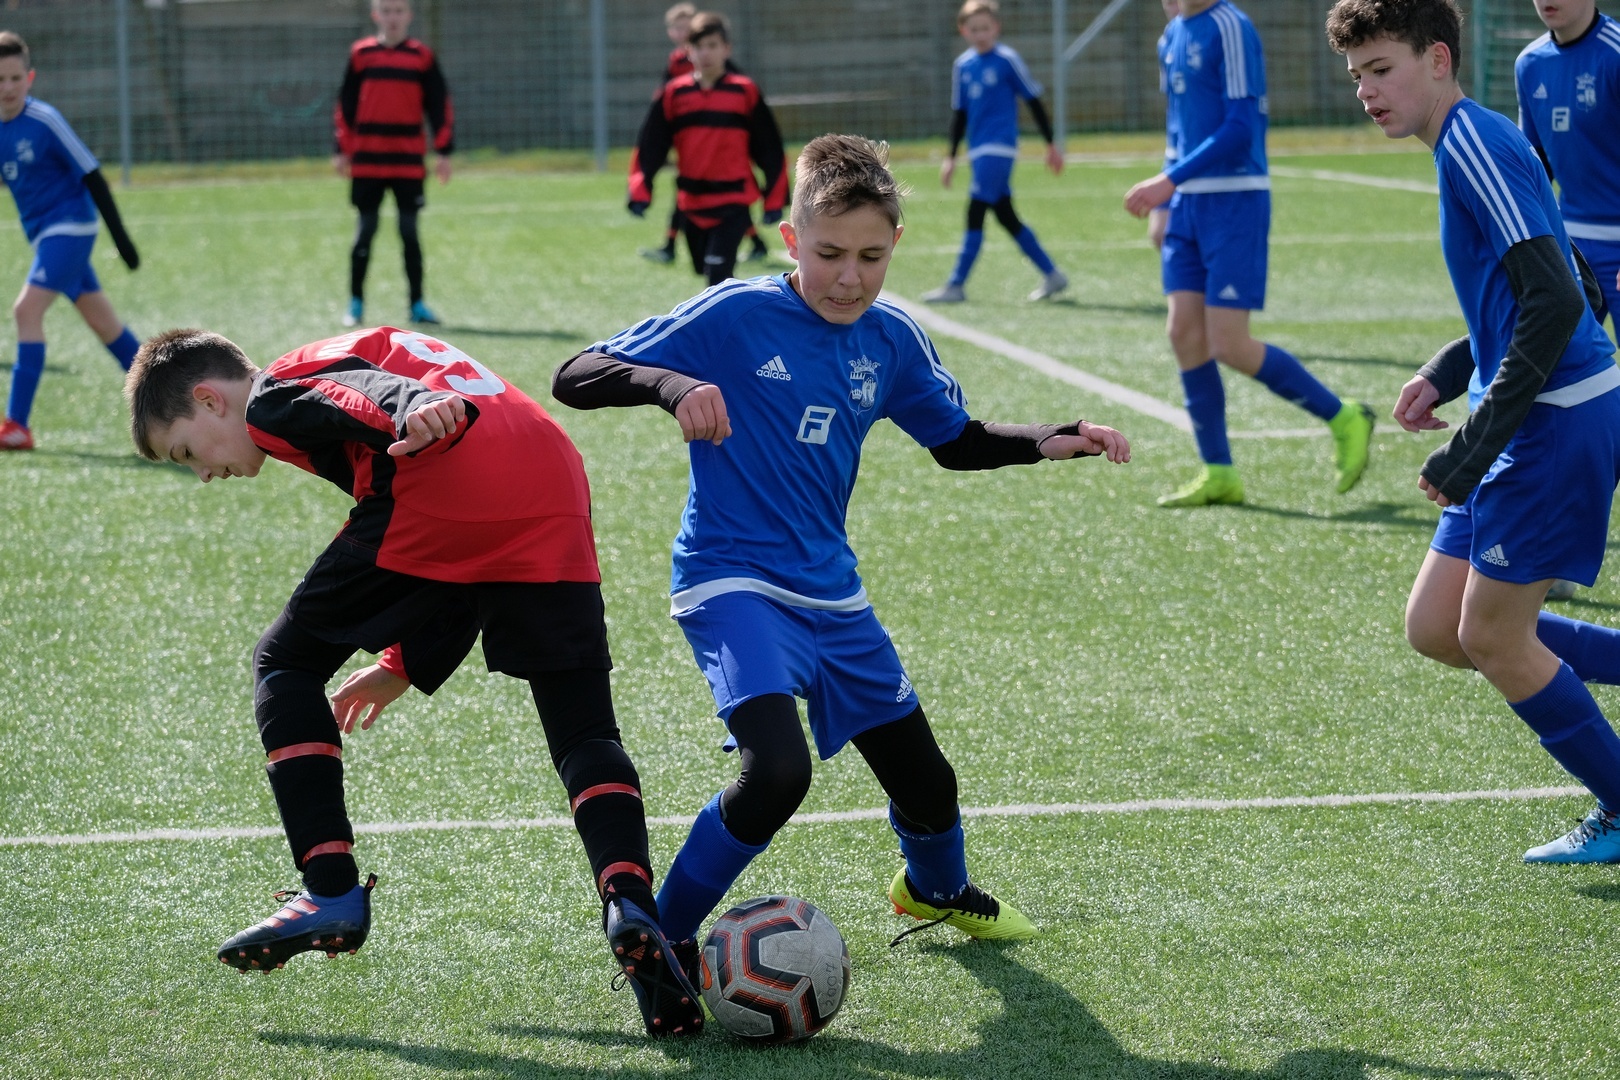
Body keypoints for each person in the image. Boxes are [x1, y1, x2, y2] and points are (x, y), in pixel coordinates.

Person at [555, 134, 1130, 963]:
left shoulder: (890, 338)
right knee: (777, 772)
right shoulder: (736, 314)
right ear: (791, 240)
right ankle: (661, 939)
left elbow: (956, 440)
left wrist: (1050, 437)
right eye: (828, 255)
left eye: (871, 256)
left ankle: (934, 890)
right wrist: (672, 385)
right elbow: (576, 374)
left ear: (895, 244)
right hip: (730, 579)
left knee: (928, 783)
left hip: (832, 591)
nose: (850, 278)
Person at [124, 326, 703, 1036]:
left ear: (210, 400)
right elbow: (464, 563)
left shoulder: (271, 394)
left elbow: (355, 392)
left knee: (284, 663)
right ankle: (630, 904)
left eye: (186, 452)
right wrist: (403, 664)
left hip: (443, 459)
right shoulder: (340, 369)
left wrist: (410, 406)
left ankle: (328, 888)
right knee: (584, 731)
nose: (203, 474)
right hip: (551, 477)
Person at [1328, 0, 1620, 864]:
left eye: (1383, 69)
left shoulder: (1474, 143)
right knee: (1438, 627)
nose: (1367, 91)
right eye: (1357, 76)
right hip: (1521, 410)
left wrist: (1473, 442)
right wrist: (1451, 369)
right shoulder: (1470, 139)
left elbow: (1558, 301)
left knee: (1492, 636)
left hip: (1553, 420)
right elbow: (1566, 277)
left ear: (1438, 59)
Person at [1126, 0, 1375, 507]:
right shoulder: (1172, 34)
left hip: (1235, 200)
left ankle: (1344, 416)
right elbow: (1178, 126)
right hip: (1186, 204)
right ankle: (1219, 471)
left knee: (1229, 343)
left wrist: (1168, 180)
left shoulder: (1231, 27)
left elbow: (1242, 125)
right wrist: (1167, 201)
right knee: (1183, 333)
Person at [0, 31, 140, 452]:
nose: (7, 87)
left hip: (71, 228)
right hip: (45, 236)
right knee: (105, 326)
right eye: (0, 79)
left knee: (26, 311)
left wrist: (123, 241)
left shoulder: (44, 120)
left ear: (30, 78)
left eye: (15, 78)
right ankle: (173, 394)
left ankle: (17, 425)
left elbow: (92, 174)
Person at [922, 0, 1068, 304]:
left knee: (975, 210)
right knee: (1006, 215)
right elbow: (960, 115)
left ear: (996, 28)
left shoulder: (1007, 60)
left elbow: (1033, 100)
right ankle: (1053, 274)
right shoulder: (963, 66)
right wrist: (951, 157)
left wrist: (1051, 144)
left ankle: (956, 285)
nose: (980, 34)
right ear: (964, 31)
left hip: (1000, 148)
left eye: (985, 28)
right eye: (974, 29)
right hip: (977, 150)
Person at [627, 11, 787, 288]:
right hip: (691, 203)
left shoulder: (745, 92)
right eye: (698, 46)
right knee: (705, 270)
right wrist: (641, 189)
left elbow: (769, 147)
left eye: (712, 45)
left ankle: (731, 316)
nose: (705, 53)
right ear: (687, 51)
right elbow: (651, 144)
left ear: (727, 49)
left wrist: (774, 198)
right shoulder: (674, 94)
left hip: (733, 202)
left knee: (717, 277)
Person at [333, 0, 453, 329]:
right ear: (376, 15)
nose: (393, 17)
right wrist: (341, 149)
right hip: (368, 160)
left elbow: (439, 105)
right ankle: (355, 304)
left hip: (408, 160)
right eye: (386, 11)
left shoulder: (422, 57)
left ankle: (417, 304)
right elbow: (345, 104)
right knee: (365, 232)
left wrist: (444, 151)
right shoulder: (361, 54)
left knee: (409, 233)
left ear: (409, 15)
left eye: (399, 11)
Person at [1516, 0, 1620, 339]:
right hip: (1570, 246)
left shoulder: (1615, 54)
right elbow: (1536, 166)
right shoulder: (1529, 63)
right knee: (1561, 362)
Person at [1148, 0, 1182, 252]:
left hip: (1202, 150)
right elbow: (1174, 102)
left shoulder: (1221, 29)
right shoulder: (1166, 40)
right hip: (1176, 151)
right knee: (1159, 233)